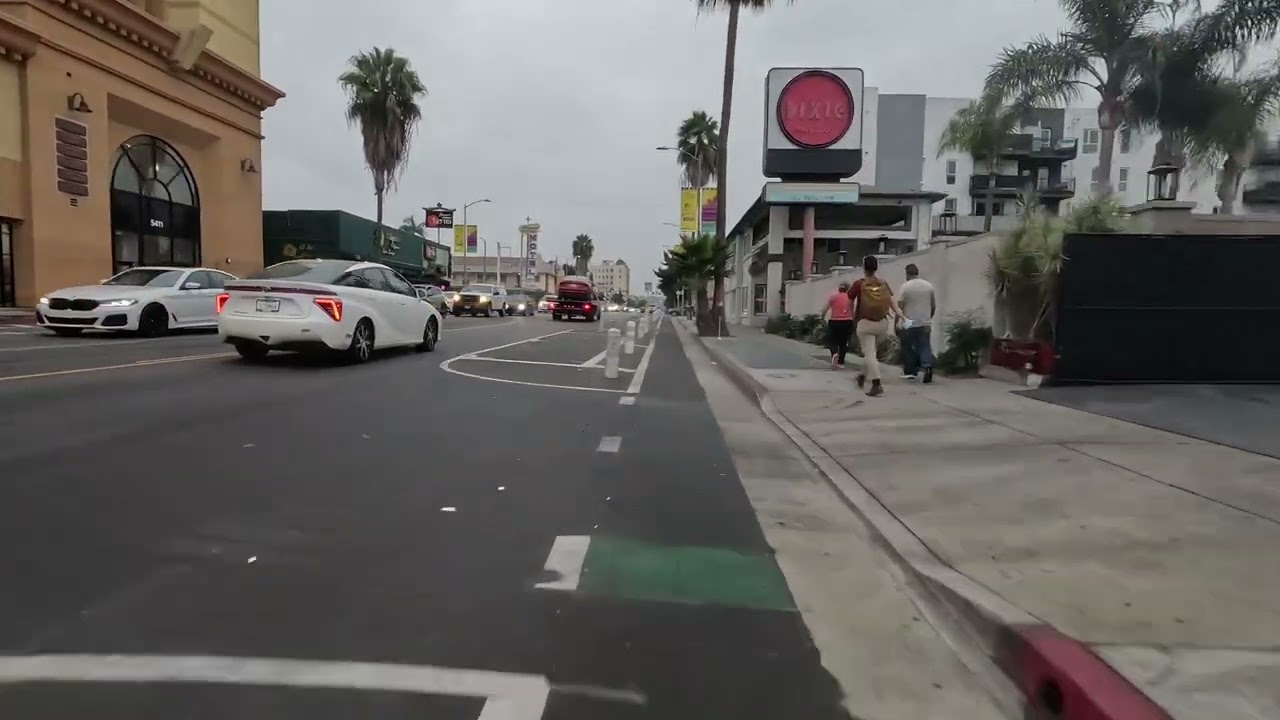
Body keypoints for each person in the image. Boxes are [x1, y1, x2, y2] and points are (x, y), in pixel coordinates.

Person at [848, 255, 902, 397]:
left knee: (870, 353)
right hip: (882, 324)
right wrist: (900, 314)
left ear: (864, 268)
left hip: (865, 323)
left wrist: (852, 317)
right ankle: (862, 375)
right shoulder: (883, 283)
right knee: (871, 352)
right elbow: (892, 303)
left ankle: (876, 384)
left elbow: (850, 302)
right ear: (876, 267)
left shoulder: (858, 284)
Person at [898, 263, 937, 383]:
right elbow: (933, 305)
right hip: (925, 321)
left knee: (907, 346)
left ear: (907, 274)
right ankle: (927, 366)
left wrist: (897, 322)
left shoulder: (905, 287)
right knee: (925, 346)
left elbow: (900, 306)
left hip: (909, 322)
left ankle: (911, 371)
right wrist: (929, 317)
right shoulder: (929, 286)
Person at [822, 281, 854, 369]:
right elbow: (852, 309)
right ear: (848, 289)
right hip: (847, 321)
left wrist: (822, 317)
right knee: (843, 342)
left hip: (835, 321)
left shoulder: (833, 297)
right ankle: (841, 361)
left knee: (833, 341)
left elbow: (825, 309)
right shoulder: (850, 298)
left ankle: (834, 354)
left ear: (839, 288)